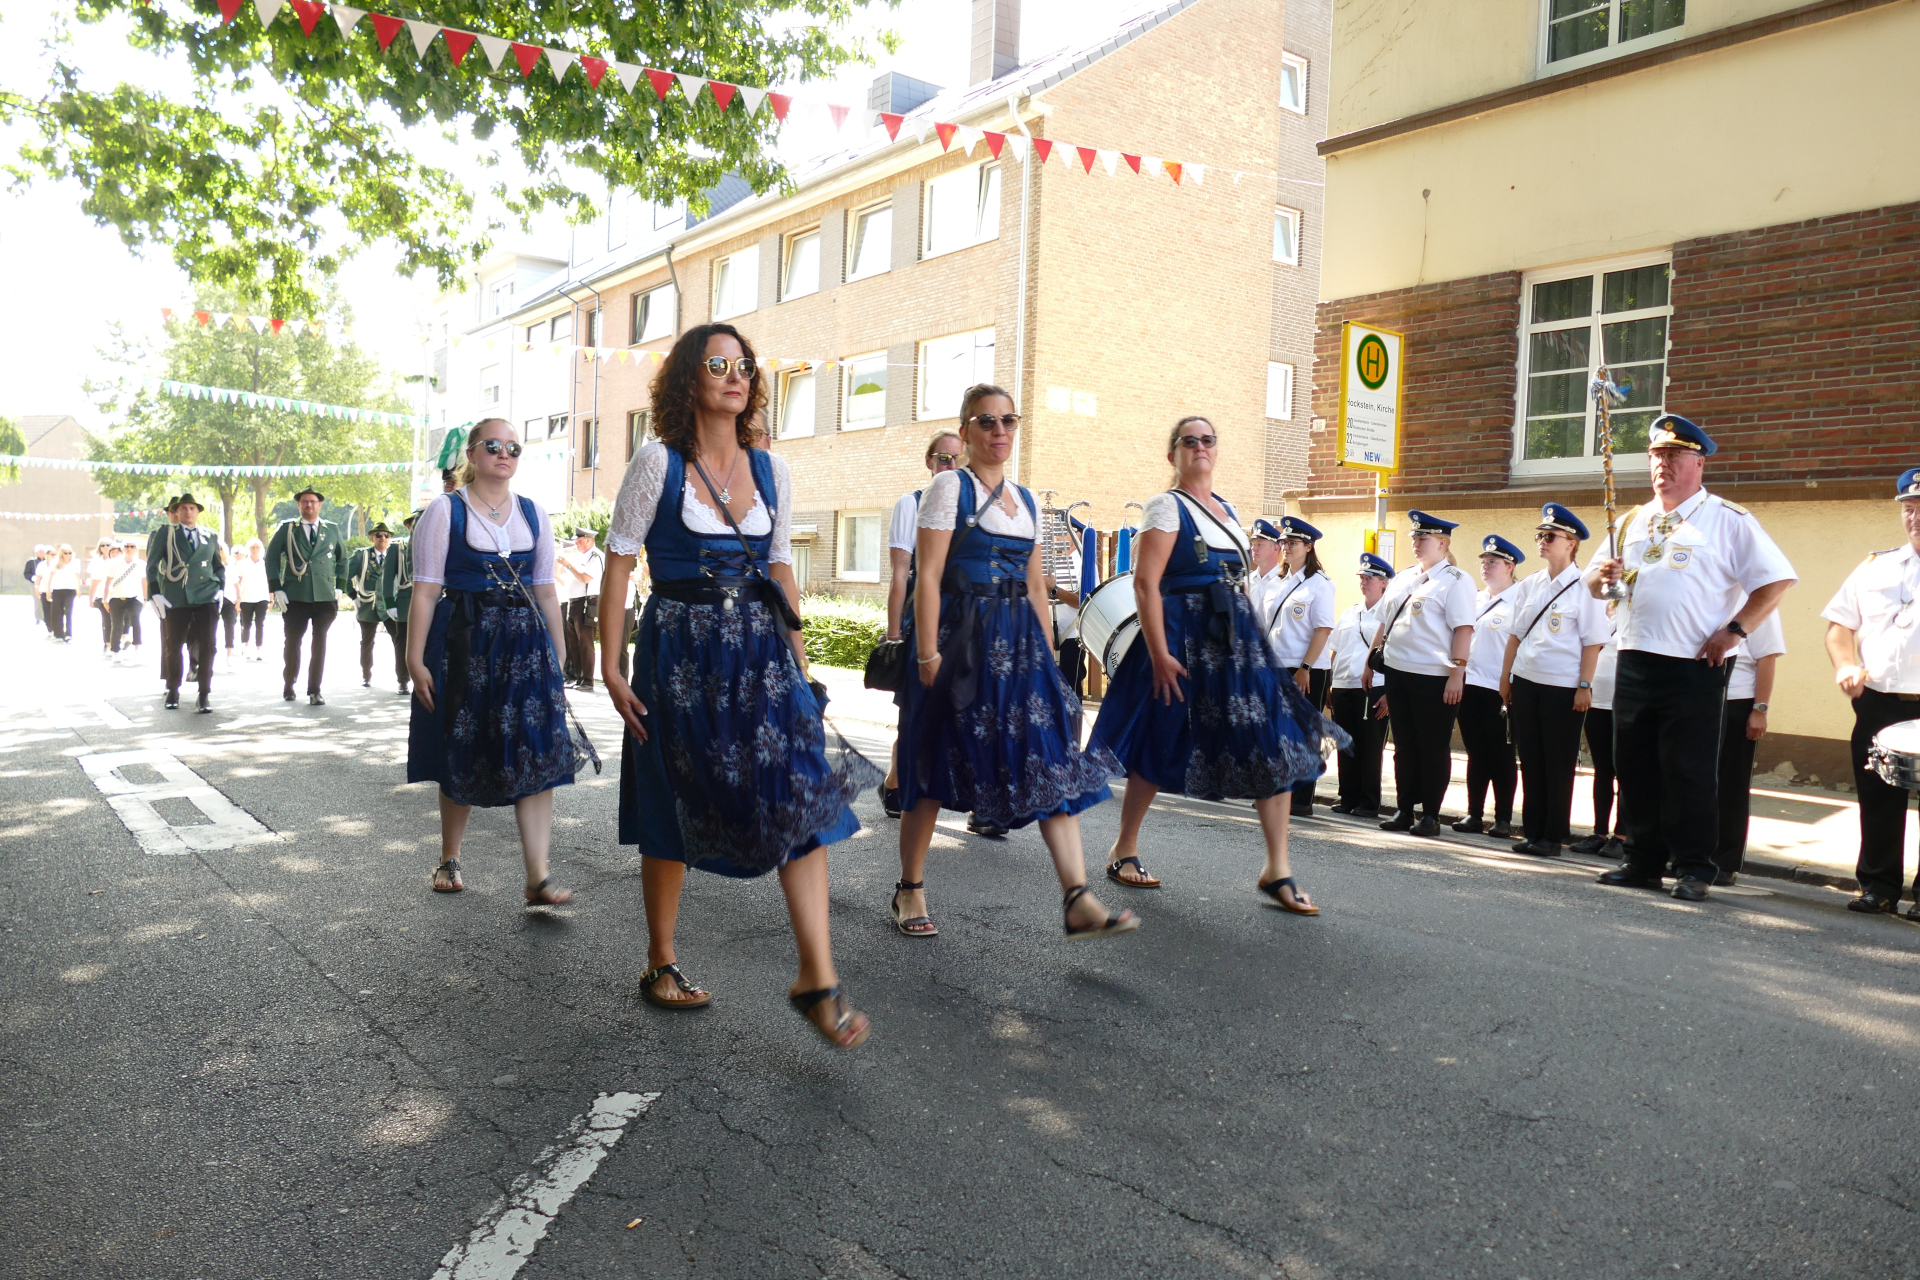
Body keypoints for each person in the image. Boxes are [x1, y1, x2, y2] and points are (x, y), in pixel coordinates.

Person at [598, 323, 876, 1048]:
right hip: (679, 652)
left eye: (744, 365)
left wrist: (802, 665)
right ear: (688, 377)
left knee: (798, 791)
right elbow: (620, 561)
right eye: (717, 363)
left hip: (760, 651)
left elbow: (780, 569)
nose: (734, 374)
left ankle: (816, 976)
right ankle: (661, 959)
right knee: (674, 792)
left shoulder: (773, 470)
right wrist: (610, 665)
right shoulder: (657, 463)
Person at [895, 385, 1136, 931]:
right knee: (932, 762)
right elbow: (927, 576)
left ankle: (1077, 897)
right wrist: (927, 654)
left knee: (1049, 759)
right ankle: (910, 888)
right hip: (959, 642)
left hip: (1019, 648)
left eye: (1009, 420)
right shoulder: (948, 487)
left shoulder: (1026, 500)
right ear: (966, 431)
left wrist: (1047, 657)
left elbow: (1033, 587)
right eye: (986, 421)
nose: (999, 431)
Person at [1092, 414, 1338, 910]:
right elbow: (1146, 583)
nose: (1201, 447)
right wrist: (1159, 654)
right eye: (1190, 441)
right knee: (1161, 735)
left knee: (1274, 738)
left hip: (1232, 639)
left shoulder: (1227, 511)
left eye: (1208, 440)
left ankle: (1277, 868)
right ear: (1173, 454)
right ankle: (1124, 847)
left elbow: (1240, 583)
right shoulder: (1166, 506)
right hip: (1180, 638)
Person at [1586, 414, 1796, 903]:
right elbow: (1595, 587)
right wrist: (1604, 575)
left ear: (1698, 463)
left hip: (1694, 664)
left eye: (1674, 456)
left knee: (1688, 769)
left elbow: (1776, 581)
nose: (1662, 464)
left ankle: (1695, 866)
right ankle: (1642, 860)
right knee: (1634, 765)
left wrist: (1735, 631)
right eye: (1656, 456)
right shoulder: (1631, 521)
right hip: (1634, 657)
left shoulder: (1727, 519)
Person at [406, 419, 578, 909]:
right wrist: (414, 657)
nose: (505, 454)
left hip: (525, 649)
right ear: (472, 454)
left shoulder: (534, 513)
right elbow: (426, 591)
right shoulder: (445, 510)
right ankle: (450, 857)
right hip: (465, 644)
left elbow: (546, 589)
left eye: (514, 448)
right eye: (494, 445)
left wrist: (558, 652)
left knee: (536, 750)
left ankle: (538, 876)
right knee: (462, 745)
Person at [1821, 466, 1920, 915]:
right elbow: (1840, 627)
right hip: (1880, 702)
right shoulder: (1876, 566)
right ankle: (1878, 887)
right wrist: (1846, 665)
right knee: (1879, 796)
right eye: (1909, 508)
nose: (1915, 517)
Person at [1501, 505, 1610, 857]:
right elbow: (1515, 636)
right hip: (1527, 680)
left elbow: (1593, 643)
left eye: (1550, 536)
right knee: (1531, 758)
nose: (1542, 541)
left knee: (1558, 762)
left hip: (1563, 687)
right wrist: (1506, 678)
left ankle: (1552, 835)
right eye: (1539, 535)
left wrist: (1585, 686)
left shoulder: (1584, 587)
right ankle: (1533, 831)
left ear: (1571, 543)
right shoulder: (1530, 584)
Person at [1365, 512, 1478, 837]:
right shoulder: (1403, 577)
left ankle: (1430, 815)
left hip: (1434, 676)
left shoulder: (1456, 580)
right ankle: (1404, 809)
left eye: (1422, 538)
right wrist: (1369, 661)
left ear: (1442, 543)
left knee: (1432, 747)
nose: (1415, 542)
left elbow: (1464, 629)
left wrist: (1457, 674)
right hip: (1398, 672)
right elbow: (1385, 622)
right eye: (1414, 537)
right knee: (1403, 745)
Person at [880, 431, 963, 819]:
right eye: (943, 458)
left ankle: (980, 801)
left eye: (958, 459)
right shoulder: (911, 504)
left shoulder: (972, 506)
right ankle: (896, 780)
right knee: (914, 709)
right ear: (929, 461)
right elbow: (901, 574)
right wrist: (894, 633)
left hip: (961, 615)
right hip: (921, 611)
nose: (951, 466)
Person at [1262, 516, 1336, 820]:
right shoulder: (1276, 582)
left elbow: (1323, 629)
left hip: (1306, 668)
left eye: (1292, 543)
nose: (1286, 547)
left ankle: (1302, 799)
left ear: (1308, 547)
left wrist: (1305, 667)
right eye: (1283, 542)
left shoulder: (1320, 584)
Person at [1453, 535, 1524, 838]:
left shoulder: (1519, 600)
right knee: (1476, 752)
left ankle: (1503, 818)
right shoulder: (1475, 600)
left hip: (1499, 688)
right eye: (1483, 561)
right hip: (1470, 684)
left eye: (1493, 562)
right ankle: (1474, 814)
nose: (1485, 566)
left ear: (1509, 566)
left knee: (1502, 754)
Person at [1714, 610, 1785, 885]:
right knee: (1693, 781)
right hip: (1699, 698)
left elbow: (1767, 658)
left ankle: (1725, 861)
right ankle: (1689, 854)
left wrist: (1759, 710)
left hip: (1738, 702)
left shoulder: (1760, 603)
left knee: (1731, 784)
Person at [267, 486, 350, 706]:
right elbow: (272, 557)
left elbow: (343, 559)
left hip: (324, 596)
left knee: (319, 641)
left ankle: (315, 689)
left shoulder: (331, 530)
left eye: (313, 501)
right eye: (304, 501)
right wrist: (276, 588)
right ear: (298, 505)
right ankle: (289, 682)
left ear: (320, 505)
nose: (309, 505)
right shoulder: (288, 529)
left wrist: (340, 586)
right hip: (296, 595)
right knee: (293, 642)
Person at [145, 493, 225, 712]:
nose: (188, 512)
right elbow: (152, 566)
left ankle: (204, 694)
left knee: (208, 646)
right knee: (173, 646)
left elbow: (218, 566)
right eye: (183, 508)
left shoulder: (210, 535)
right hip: (176, 597)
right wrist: (155, 593)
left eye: (192, 508)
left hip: (206, 596)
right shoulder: (166, 534)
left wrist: (220, 588)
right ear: (176, 511)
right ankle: (173, 689)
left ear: (198, 511)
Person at [1329, 553, 1393, 817]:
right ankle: (1348, 797)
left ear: (1384, 583)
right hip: (1343, 684)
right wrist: (1331, 683)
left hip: (1374, 686)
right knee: (1345, 744)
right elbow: (1336, 650)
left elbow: (1395, 657)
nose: (1364, 582)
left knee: (1370, 747)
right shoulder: (1350, 613)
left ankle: (1368, 802)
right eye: (1362, 578)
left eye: (1370, 578)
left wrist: (1389, 693)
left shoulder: (1390, 616)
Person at [1569, 616, 1629, 858]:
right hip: (1598, 703)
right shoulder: (1610, 619)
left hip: (1625, 704)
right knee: (1603, 771)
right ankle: (1600, 833)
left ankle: (1622, 836)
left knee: (1625, 772)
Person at [349, 524, 405, 690]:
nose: (383, 538)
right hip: (368, 604)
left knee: (399, 641)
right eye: (379, 535)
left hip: (390, 604)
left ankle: (402, 680)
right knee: (367, 641)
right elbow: (345, 574)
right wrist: (353, 595)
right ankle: (366, 674)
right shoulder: (361, 555)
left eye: (387, 535)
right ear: (371, 538)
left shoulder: (397, 555)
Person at [556, 527, 605, 692]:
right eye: (576, 541)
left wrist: (568, 565)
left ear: (589, 540)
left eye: (580, 541)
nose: (576, 543)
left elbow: (585, 578)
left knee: (585, 642)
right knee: (574, 643)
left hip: (587, 601)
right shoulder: (581, 556)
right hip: (574, 601)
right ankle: (578, 677)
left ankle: (587, 680)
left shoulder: (595, 556)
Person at [105, 538, 147, 662]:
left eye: (132, 546)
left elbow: (144, 582)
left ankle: (137, 648)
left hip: (135, 598)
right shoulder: (114, 563)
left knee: (135, 619)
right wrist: (105, 598)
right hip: (116, 597)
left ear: (136, 549)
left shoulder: (141, 564)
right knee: (116, 625)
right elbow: (108, 581)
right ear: (122, 548)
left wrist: (145, 598)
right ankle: (115, 651)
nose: (129, 549)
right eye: (126, 546)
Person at [390, 511, 418, 694]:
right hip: (405, 601)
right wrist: (389, 602)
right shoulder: (397, 547)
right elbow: (388, 577)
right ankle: (403, 680)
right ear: (408, 527)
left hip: (431, 602)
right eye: (414, 523)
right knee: (403, 644)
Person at [233, 538, 270, 660]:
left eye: (257, 547)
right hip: (246, 598)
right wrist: (237, 598)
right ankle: (245, 646)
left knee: (260, 623)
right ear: (248, 549)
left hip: (262, 597)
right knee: (246, 624)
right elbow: (237, 581)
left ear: (261, 549)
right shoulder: (242, 564)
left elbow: (269, 582)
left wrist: (271, 599)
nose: (255, 550)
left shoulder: (265, 564)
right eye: (252, 547)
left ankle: (259, 648)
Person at [1244, 519, 1286, 625]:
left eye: (1260, 544)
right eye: (1253, 544)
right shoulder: (1246, 580)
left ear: (1276, 548)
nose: (1254, 548)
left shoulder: (1284, 582)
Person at [87, 539, 115, 654]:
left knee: (119, 620)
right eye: (103, 545)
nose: (105, 547)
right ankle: (108, 643)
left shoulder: (117, 559)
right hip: (102, 595)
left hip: (118, 594)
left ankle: (119, 641)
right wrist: (91, 597)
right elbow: (94, 581)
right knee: (107, 620)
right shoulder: (97, 562)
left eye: (108, 545)